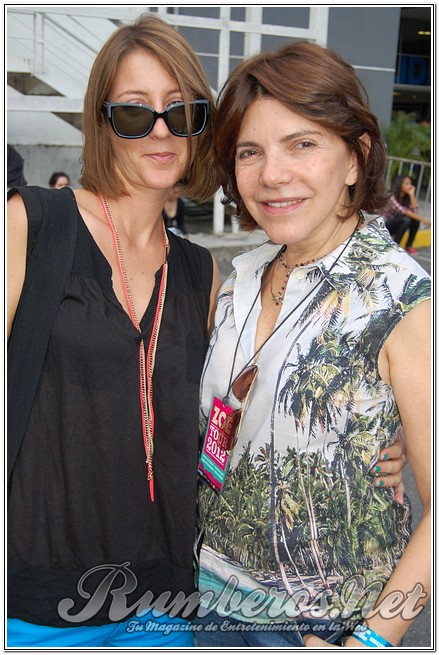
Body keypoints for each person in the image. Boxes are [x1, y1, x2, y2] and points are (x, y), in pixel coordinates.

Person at [194, 41, 430, 649]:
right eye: (250, 151)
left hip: (318, 626)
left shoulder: (401, 299)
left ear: (356, 157)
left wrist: (372, 642)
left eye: (302, 144)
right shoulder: (241, 277)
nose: (272, 174)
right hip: (203, 598)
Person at [7, 14, 221, 648]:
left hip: (163, 601)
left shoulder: (200, 271)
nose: (161, 130)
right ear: (102, 122)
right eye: (134, 111)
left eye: (181, 111)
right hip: (35, 602)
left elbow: (223, 415)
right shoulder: (32, 224)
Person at [382, 175, 431, 253]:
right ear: (399, 184)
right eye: (406, 184)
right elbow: (404, 211)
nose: (410, 186)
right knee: (406, 220)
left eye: (410, 184)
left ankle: (409, 245)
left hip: (398, 224)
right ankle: (395, 245)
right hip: (385, 225)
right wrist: (424, 220)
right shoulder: (391, 197)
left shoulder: (405, 198)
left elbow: (415, 212)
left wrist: (411, 194)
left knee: (415, 220)